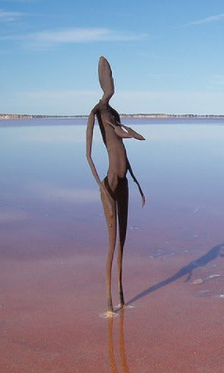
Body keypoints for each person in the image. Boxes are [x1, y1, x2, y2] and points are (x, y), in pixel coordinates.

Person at [86, 56, 145, 316]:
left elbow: (121, 139)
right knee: (111, 244)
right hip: (109, 183)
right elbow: (88, 155)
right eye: (107, 75)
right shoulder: (96, 112)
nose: (111, 81)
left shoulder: (114, 113)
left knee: (123, 240)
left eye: (112, 75)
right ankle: (109, 302)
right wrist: (101, 187)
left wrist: (135, 179)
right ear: (101, 81)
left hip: (123, 181)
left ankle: (122, 297)